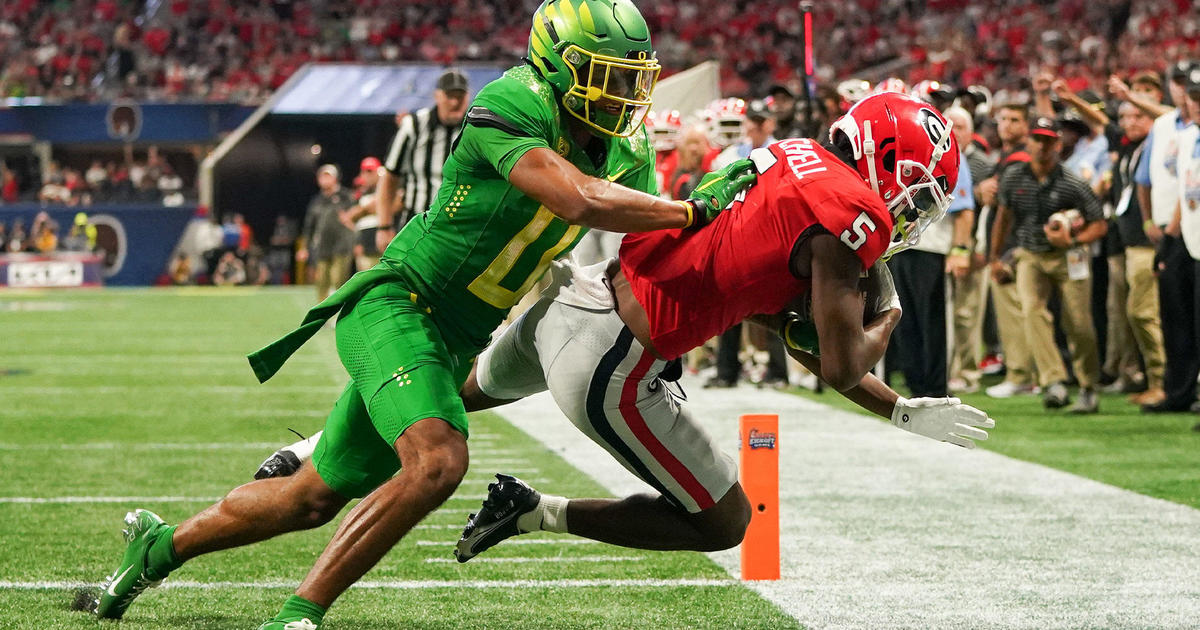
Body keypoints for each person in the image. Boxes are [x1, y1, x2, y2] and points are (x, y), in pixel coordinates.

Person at [89, 2, 754, 628]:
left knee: (308, 499)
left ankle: (157, 548)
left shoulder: (629, 148)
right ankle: (299, 615)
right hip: (399, 302)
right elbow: (577, 199)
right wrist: (693, 208)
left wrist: (731, 237)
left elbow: (649, 250)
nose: (621, 97)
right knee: (439, 461)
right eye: (606, 79)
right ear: (557, 66)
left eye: (631, 80)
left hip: (456, 337)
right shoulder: (514, 99)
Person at [454, 93, 991, 560]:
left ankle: (374, 430)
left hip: (577, 294)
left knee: (451, 401)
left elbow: (784, 322)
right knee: (725, 521)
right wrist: (892, 310)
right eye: (917, 192)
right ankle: (532, 512)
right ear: (887, 161)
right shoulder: (850, 213)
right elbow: (844, 366)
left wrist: (894, 409)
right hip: (608, 361)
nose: (911, 211)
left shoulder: (792, 156)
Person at [989, 117, 1107, 413]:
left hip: (1069, 256)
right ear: (1029, 142)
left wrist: (1074, 240)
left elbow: (1099, 224)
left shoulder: (1073, 183)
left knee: (1079, 323)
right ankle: (1052, 381)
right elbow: (1003, 218)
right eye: (1037, 140)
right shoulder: (1014, 177)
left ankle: (1088, 386)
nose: (1042, 147)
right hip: (1030, 253)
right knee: (1032, 312)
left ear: (1057, 144)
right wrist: (994, 258)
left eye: (1048, 141)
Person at [706, 99, 791, 389]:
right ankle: (727, 370)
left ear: (770, 123)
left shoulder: (783, 154)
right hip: (735, 234)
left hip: (769, 236)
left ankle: (779, 372)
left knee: (775, 306)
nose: (755, 126)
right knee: (727, 303)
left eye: (761, 120)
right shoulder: (728, 156)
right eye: (752, 120)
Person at [1138, 61, 1199, 413]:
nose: (1193, 102)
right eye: (1191, 94)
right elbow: (1177, 187)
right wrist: (1167, 230)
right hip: (1183, 233)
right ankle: (1179, 391)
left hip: (1187, 233)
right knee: (1177, 315)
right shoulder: (1178, 132)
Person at [1108, 101, 1167, 405]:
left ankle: (1162, 382)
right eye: (1124, 117)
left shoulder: (1161, 144)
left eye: (1138, 116)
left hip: (1148, 244)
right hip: (1132, 243)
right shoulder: (1130, 150)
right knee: (1139, 314)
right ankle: (1158, 380)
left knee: (1144, 313)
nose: (1129, 122)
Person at [376, 69, 469, 251]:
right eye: (450, 95)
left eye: (461, 96)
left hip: (463, 228)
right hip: (417, 225)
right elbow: (390, 177)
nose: (455, 102)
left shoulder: (475, 127)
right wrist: (384, 226)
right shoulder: (414, 126)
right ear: (437, 96)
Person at [982, 103, 1038, 398]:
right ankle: (1022, 372)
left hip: (1012, 246)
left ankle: (1021, 374)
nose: (1007, 125)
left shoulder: (1021, 160)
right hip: (1007, 245)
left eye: (1015, 120)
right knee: (1012, 312)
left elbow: (1018, 209)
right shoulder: (1005, 158)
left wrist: (1007, 251)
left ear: (1026, 125)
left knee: (1014, 312)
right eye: (1003, 119)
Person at [945, 107, 997, 393]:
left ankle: (967, 372)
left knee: (968, 313)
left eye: (960, 127)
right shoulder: (937, 158)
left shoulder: (980, 163)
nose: (954, 132)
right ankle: (950, 369)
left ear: (971, 131)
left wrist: (981, 248)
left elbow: (991, 209)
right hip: (945, 244)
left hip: (972, 244)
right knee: (950, 312)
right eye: (949, 125)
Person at [1163, 67, 1200, 416]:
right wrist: (1171, 237)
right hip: (1192, 243)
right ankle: (1187, 392)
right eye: (1196, 97)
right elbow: (1182, 191)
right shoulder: (1188, 137)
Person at [297, 164, 355, 302]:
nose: (324, 180)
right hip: (322, 246)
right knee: (321, 281)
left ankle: (339, 313)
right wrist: (304, 248)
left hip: (342, 245)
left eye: (328, 176)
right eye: (322, 176)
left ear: (335, 178)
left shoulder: (346, 196)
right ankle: (322, 315)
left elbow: (354, 221)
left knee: (339, 280)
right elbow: (309, 226)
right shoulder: (316, 201)